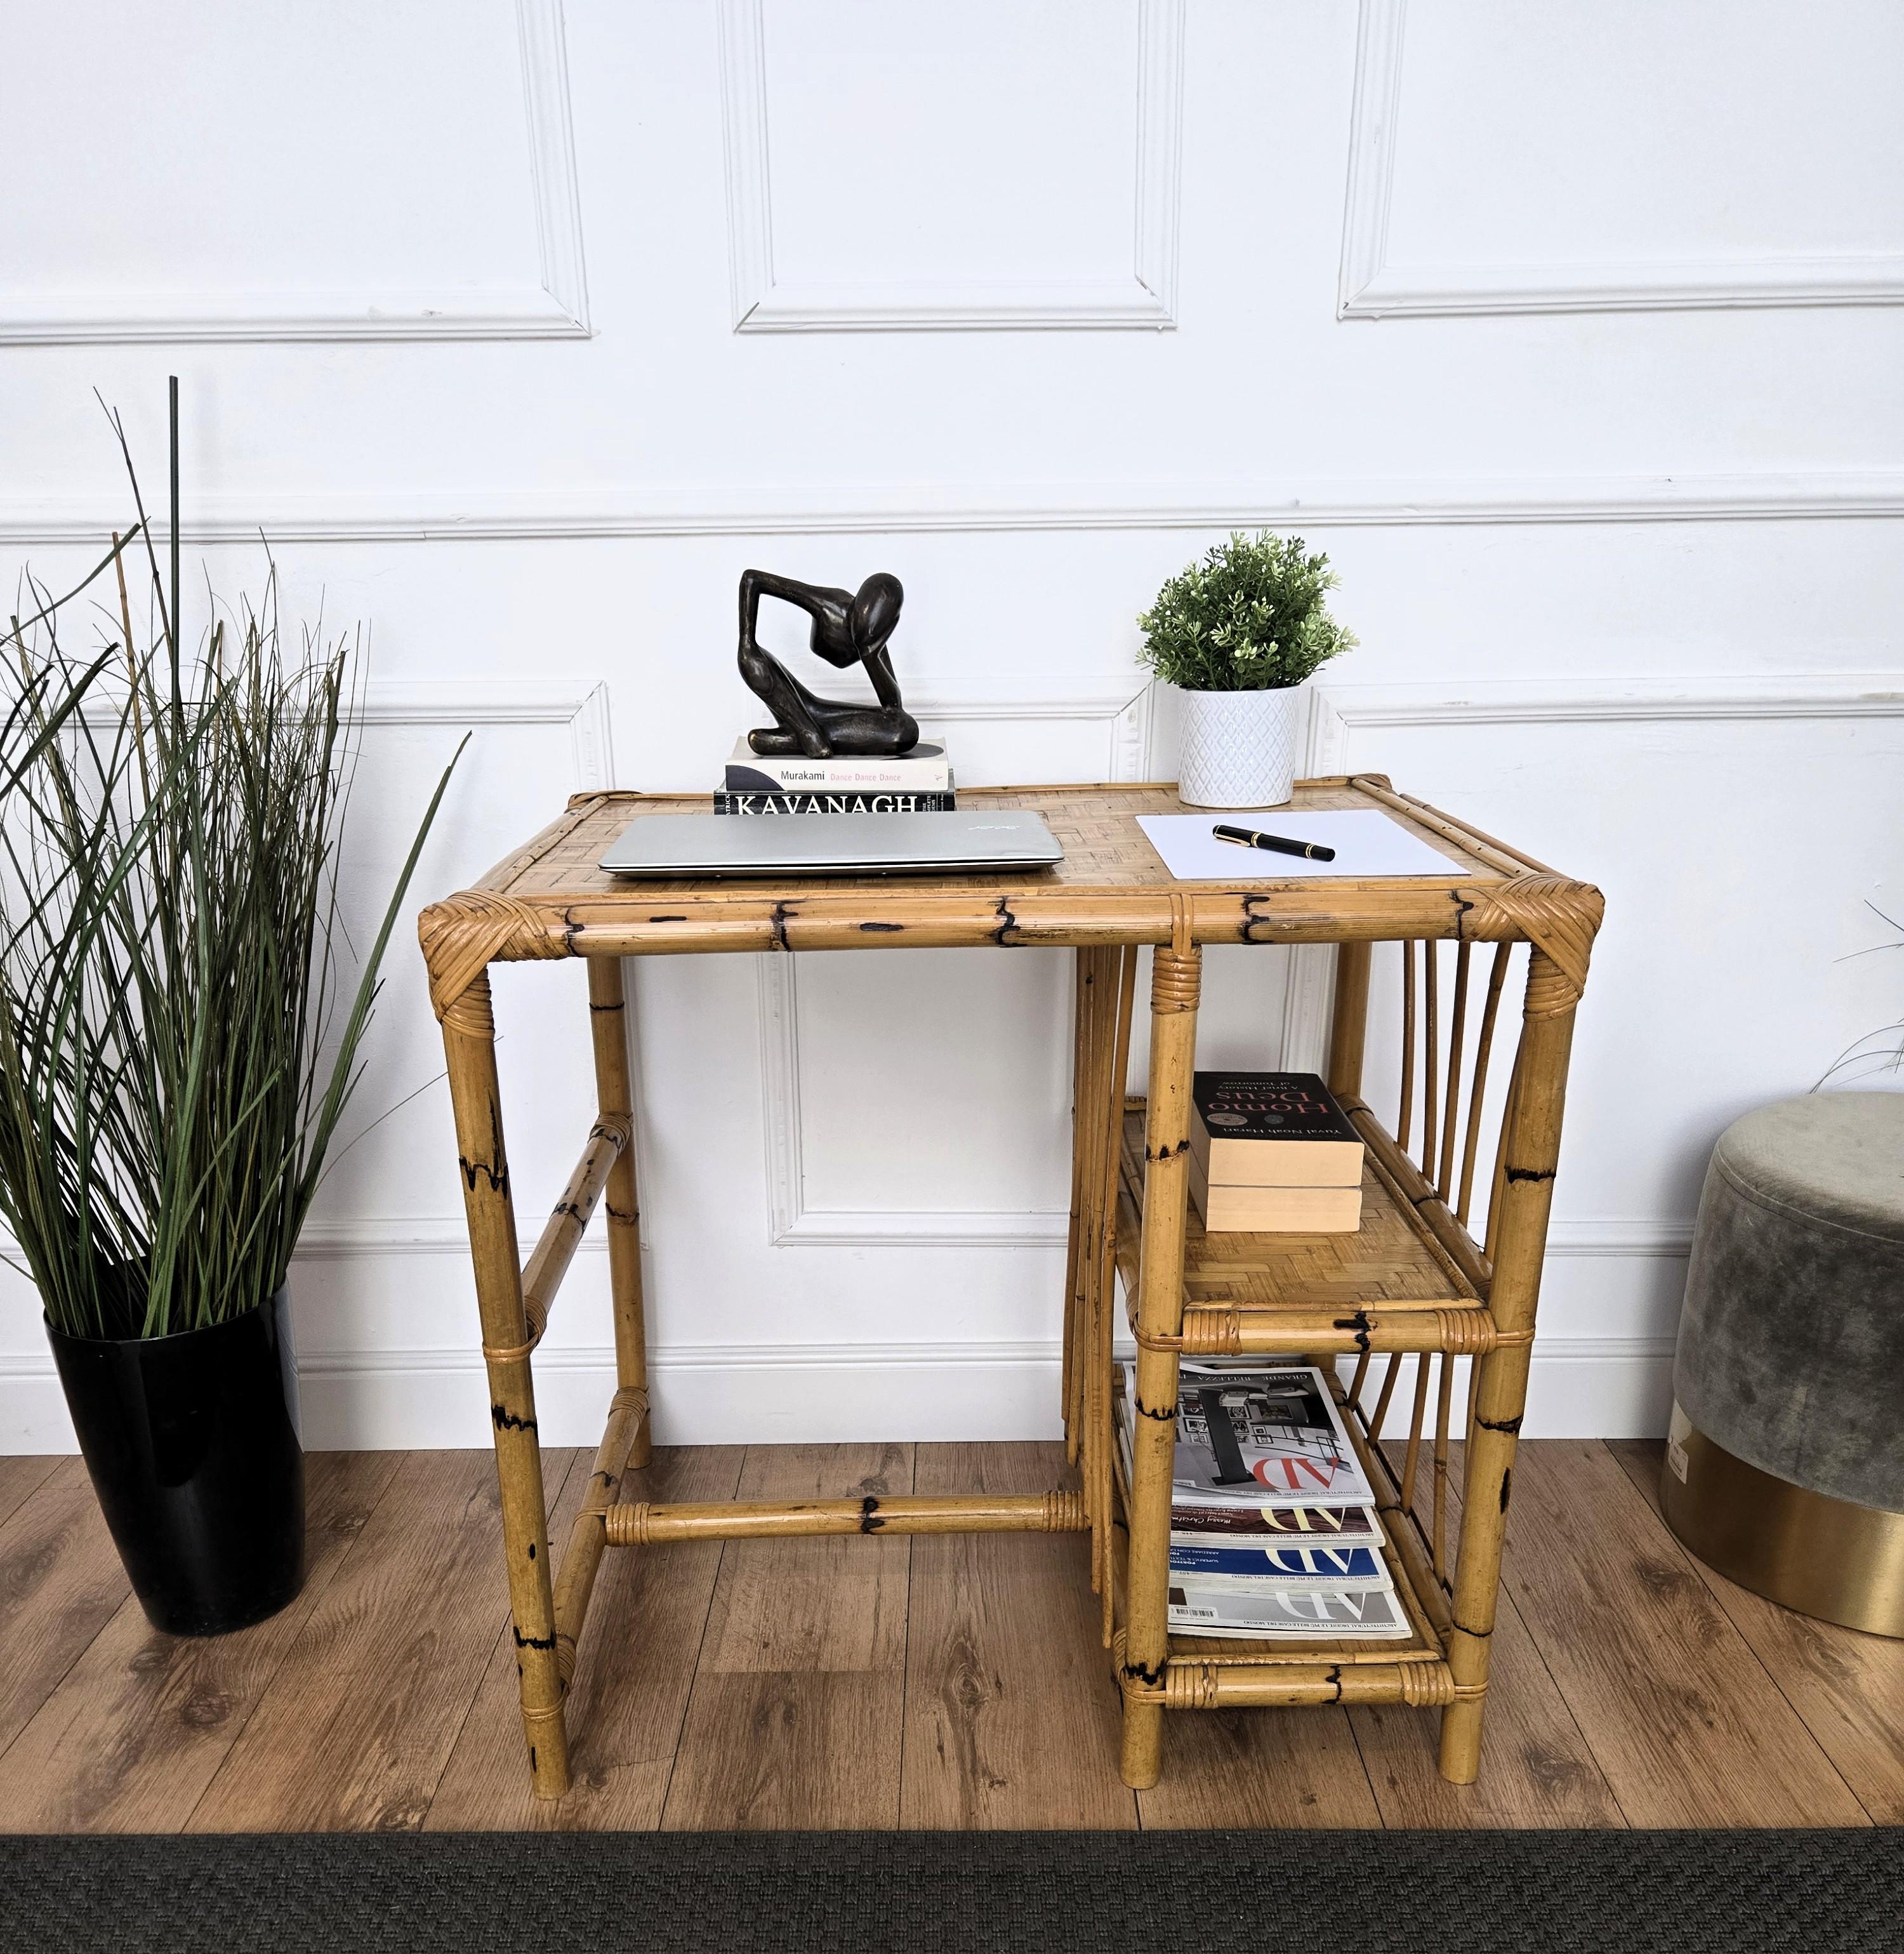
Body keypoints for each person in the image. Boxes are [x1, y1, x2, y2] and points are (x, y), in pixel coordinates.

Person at [737, 568, 919, 757]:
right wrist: (746, 639)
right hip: (797, 703)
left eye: (867, 642)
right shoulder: (829, 604)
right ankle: (805, 731)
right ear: (855, 609)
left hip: (816, 711)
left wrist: (871, 656)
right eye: (856, 632)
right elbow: (752, 578)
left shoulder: (874, 640)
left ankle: (798, 736)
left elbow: (894, 708)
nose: (861, 644)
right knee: (751, 660)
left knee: (905, 728)